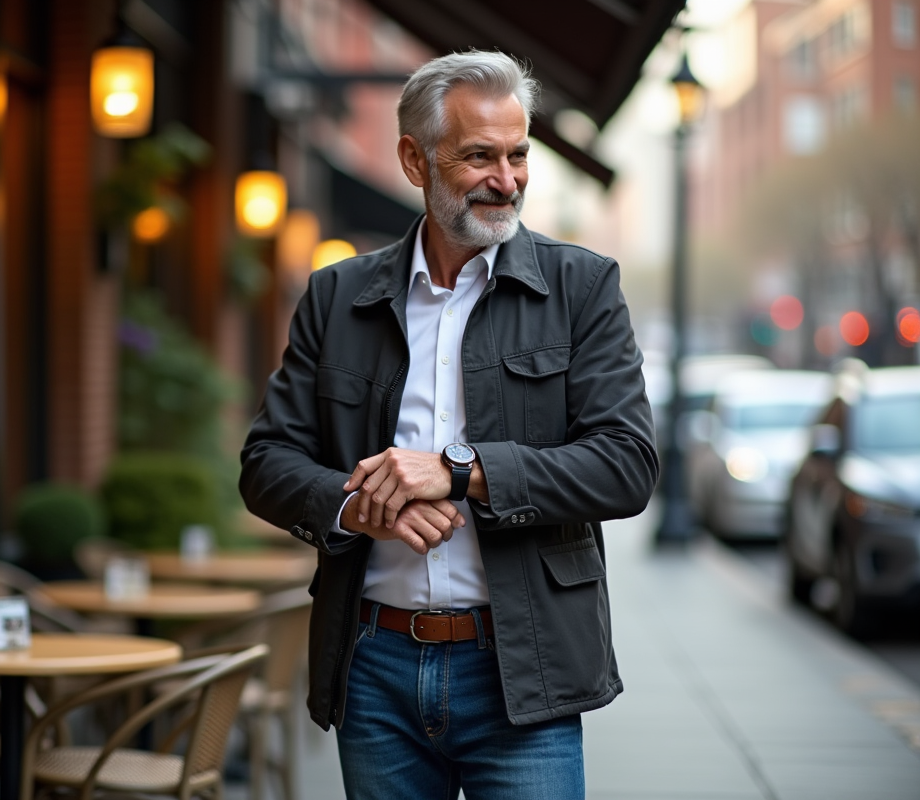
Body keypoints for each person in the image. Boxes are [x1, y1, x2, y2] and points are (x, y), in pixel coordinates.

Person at [240, 50, 658, 800]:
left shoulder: (582, 287)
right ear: (413, 159)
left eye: (518, 154)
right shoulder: (337, 297)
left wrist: (460, 470)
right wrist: (356, 502)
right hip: (375, 670)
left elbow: (627, 464)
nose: (508, 179)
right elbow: (267, 460)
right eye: (479, 157)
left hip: (524, 673)